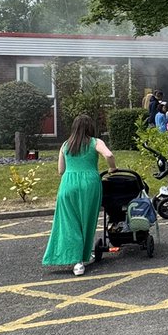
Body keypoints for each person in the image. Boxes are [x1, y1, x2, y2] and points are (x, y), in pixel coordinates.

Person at [41, 114, 116, 276]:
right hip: (89, 184)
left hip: (68, 184)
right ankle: (82, 257)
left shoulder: (66, 145)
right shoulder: (96, 142)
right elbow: (109, 155)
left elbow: (61, 170)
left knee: (69, 223)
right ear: (90, 128)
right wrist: (112, 169)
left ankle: (76, 261)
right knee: (86, 222)